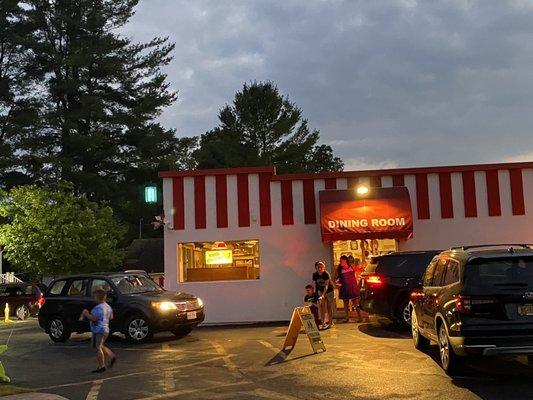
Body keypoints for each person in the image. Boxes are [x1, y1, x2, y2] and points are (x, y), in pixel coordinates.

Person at [81, 289, 116, 373]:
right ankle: (111, 356)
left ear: (97, 297)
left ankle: (101, 366)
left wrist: (86, 314)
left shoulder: (98, 308)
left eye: (94, 297)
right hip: (105, 329)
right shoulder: (108, 306)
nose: (94, 299)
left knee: (98, 347)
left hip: (99, 329)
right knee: (100, 345)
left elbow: (94, 318)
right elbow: (111, 317)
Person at [336, 255, 363, 323]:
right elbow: (335, 278)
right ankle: (347, 318)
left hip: (352, 287)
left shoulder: (351, 267)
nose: (341, 262)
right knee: (345, 304)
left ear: (346, 261)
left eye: (342, 260)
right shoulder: (339, 269)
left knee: (356, 303)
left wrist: (358, 285)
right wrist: (337, 284)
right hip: (344, 288)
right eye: (340, 260)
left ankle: (360, 317)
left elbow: (355, 276)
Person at [313, 261, 334, 329]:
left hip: (329, 291)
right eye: (318, 267)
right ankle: (323, 322)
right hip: (321, 291)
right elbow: (315, 284)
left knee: (329, 307)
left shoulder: (326, 274)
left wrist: (323, 295)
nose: (320, 268)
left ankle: (330, 322)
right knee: (322, 307)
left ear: (324, 267)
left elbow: (326, 286)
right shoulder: (315, 274)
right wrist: (317, 293)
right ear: (316, 267)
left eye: (321, 267)